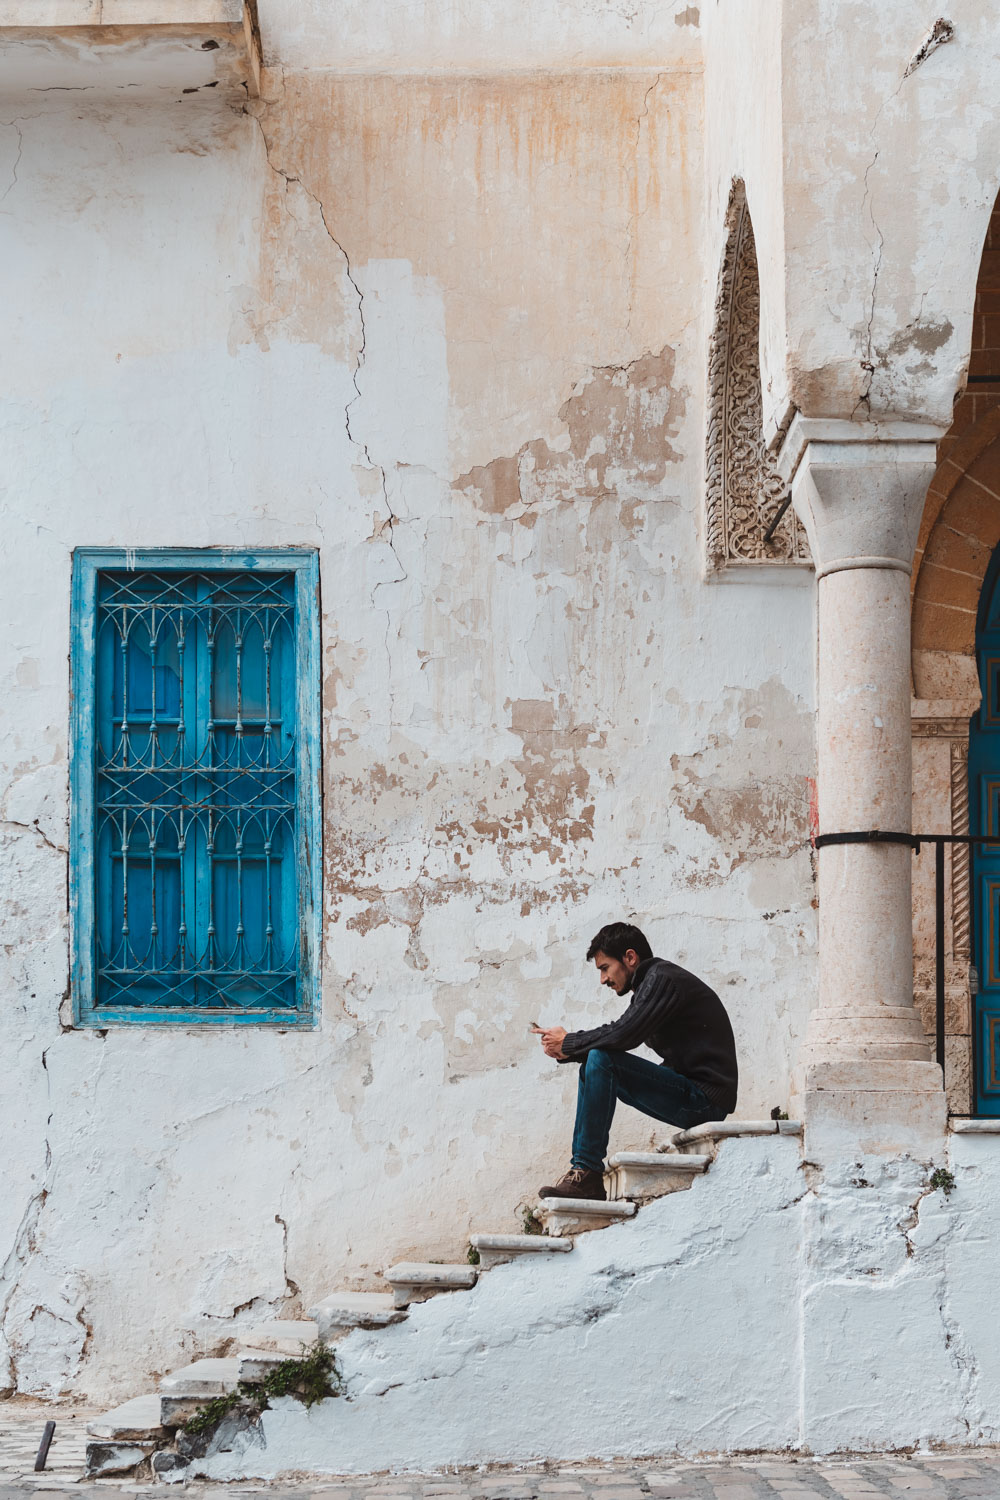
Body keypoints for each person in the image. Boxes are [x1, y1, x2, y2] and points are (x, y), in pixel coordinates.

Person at [533, 921, 738, 1201]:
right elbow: (620, 1033)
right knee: (594, 1062)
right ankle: (585, 1174)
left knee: (601, 1059)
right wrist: (566, 1050)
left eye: (605, 968)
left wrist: (568, 1042)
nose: (603, 979)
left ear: (630, 958)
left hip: (705, 1099)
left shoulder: (662, 979)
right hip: (690, 1091)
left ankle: (587, 1170)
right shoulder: (649, 985)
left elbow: (623, 1033)